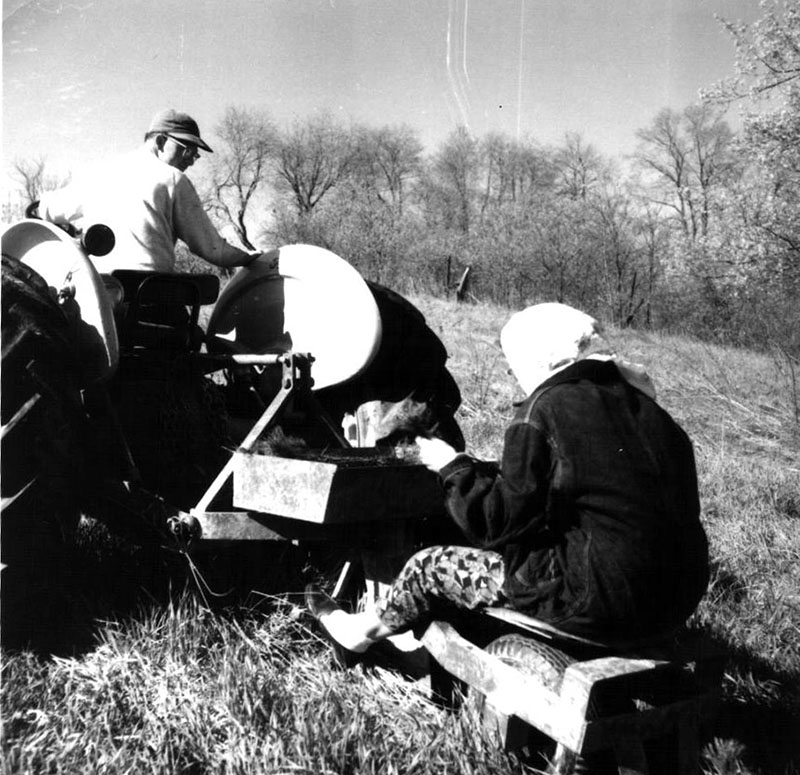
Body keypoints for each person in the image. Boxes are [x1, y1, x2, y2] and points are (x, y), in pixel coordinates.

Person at [306, 302, 709, 655]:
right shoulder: (653, 412)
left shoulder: (545, 407)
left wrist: (452, 466)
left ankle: (359, 633)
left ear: (535, 358)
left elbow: (495, 525)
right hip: (677, 599)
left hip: (596, 602)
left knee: (428, 566)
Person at [38, 109, 260, 273]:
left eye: (195, 153)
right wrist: (249, 258)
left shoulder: (99, 172)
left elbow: (45, 210)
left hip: (98, 294)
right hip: (150, 293)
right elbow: (213, 250)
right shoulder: (172, 178)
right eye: (188, 150)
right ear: (161, 141)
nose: (192, 159)